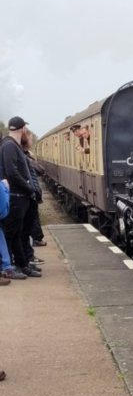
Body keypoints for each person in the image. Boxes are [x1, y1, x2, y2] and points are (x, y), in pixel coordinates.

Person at [0, 116, 41, 277]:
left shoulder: (12, 145)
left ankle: (22, 264)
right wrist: (29, 188)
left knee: (19, 233)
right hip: (16, 195)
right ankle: (13, 266)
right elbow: (12, 172)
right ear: (23, 129)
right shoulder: (10, 146)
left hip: (19, 195)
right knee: (13, 233)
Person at [20, 131, 46, 251]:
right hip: (29, 194)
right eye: (30, 140)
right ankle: (35, 241)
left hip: (29, 192)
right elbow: (40, 170)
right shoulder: (25, 156)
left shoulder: (23, 155)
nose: (32, 142)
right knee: (31, 221)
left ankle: (30, 250)